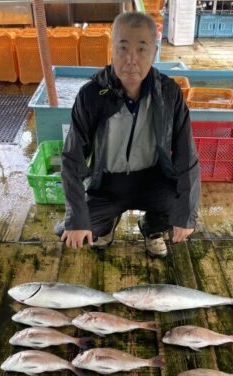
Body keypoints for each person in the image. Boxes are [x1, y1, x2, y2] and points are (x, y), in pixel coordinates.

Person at [55, 12, 201, 258]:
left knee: (181, 210)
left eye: (141, 49)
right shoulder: (91, 95)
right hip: (108, 183)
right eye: (123, 49)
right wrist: (76, 218)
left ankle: (151, 229)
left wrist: (186, 215)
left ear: (154, 52)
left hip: (153, 179)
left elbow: (187, 156)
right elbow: (72, 158)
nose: (131, 60)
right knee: (69, 229)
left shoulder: (168, 93)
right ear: (111, 49)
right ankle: (108, 222)